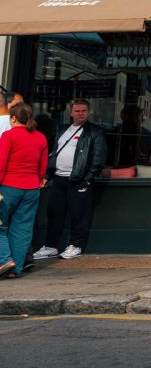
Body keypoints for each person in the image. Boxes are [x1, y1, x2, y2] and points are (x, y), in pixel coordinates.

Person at [40, 99, 107, 261]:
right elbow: (54, 153)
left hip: (78, 180)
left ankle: (75, 246)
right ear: (70, 113)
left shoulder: (95, 132)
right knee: (55, 214)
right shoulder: (63, 130)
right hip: (59, 179)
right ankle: (50, 246)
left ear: (88, 112)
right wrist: (47, 176)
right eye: (77, 111)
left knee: (79, 215)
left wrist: (88, 180)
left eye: (83, 111)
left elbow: (98, 159)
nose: (80, 113)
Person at [0, 103, 49, 277]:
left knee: (1, 226)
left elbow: (1, 164)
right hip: (31, 188)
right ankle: (15, 269)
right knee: (22, 229)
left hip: (8, 187)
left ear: (13, 118)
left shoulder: (8, 136)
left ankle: (4, 261)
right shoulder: (41, 137)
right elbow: (42, 168)